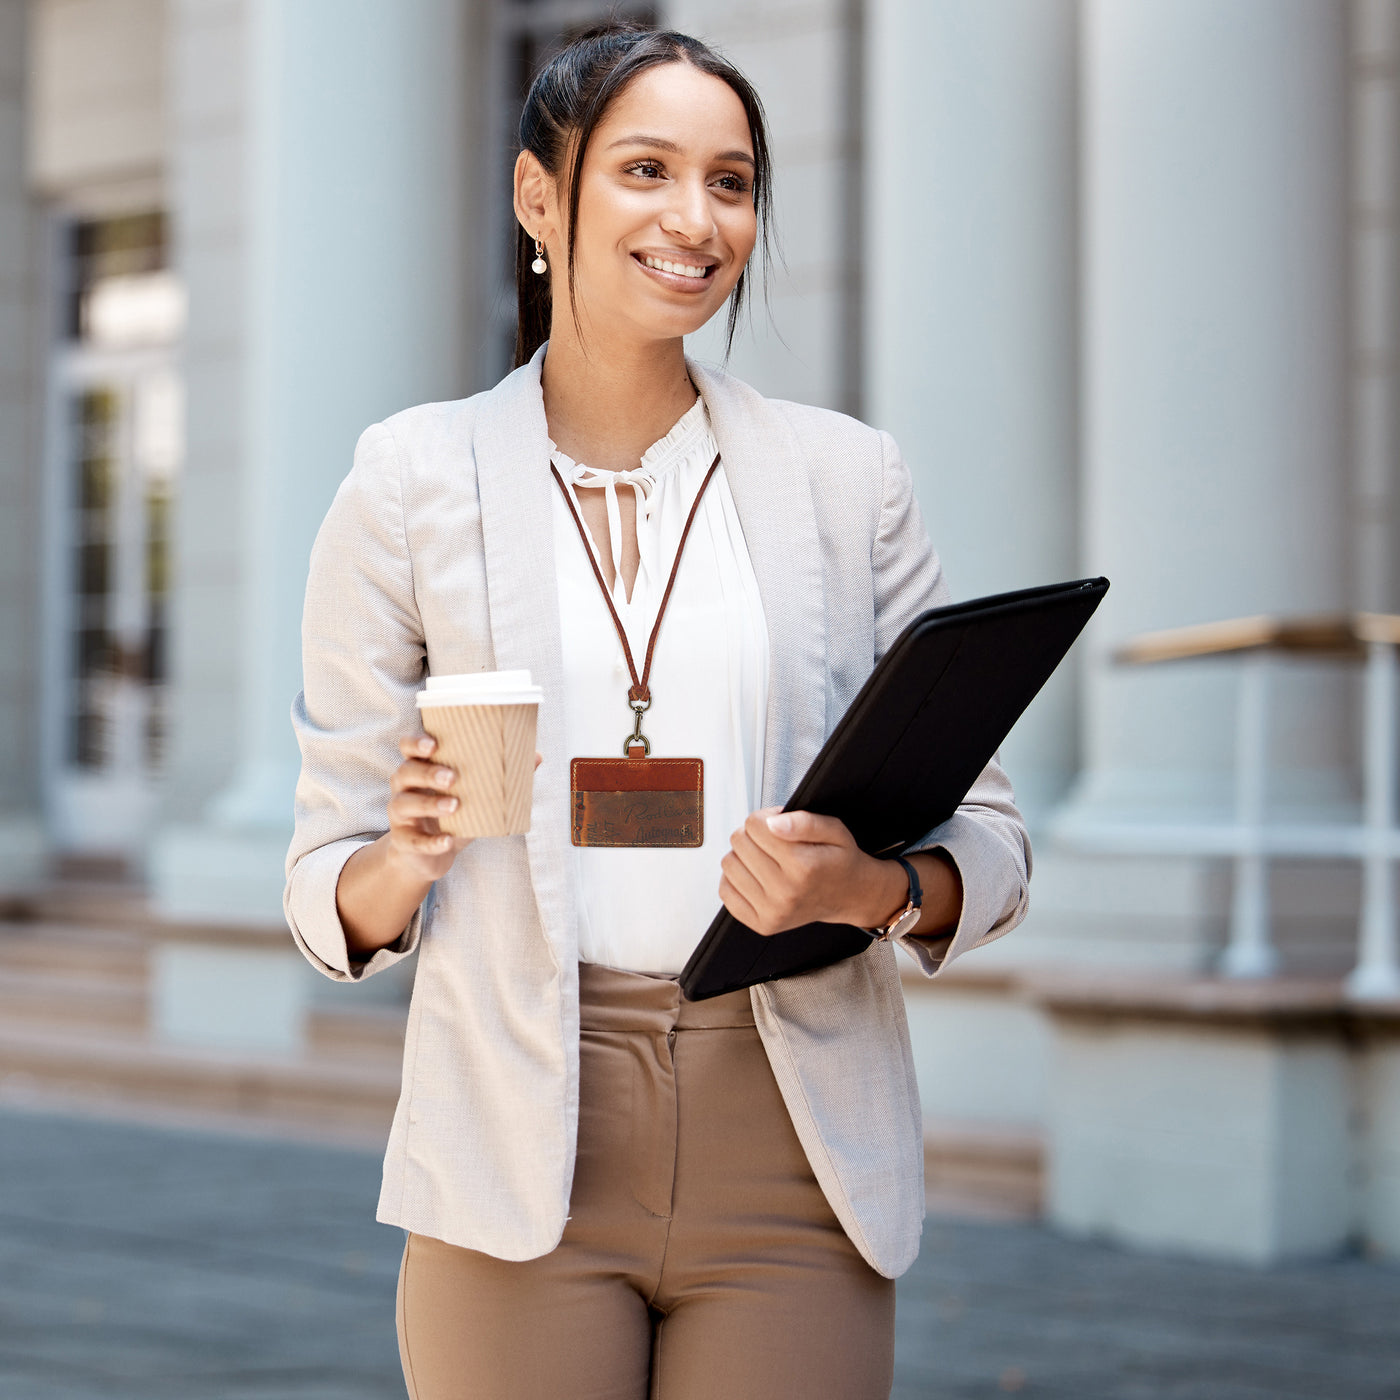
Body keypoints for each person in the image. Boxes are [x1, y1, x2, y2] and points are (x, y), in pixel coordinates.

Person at [284, 21, 1029, 1400]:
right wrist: (404, 856)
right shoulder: (410, 479)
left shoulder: (846, 480)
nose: (697, 219)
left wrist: (872, 885)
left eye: (732, 182)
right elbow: (327, 884)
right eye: (646, 170)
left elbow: (989, 843)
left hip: (792, 1130)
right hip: (520, 1135)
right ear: (538, 199)